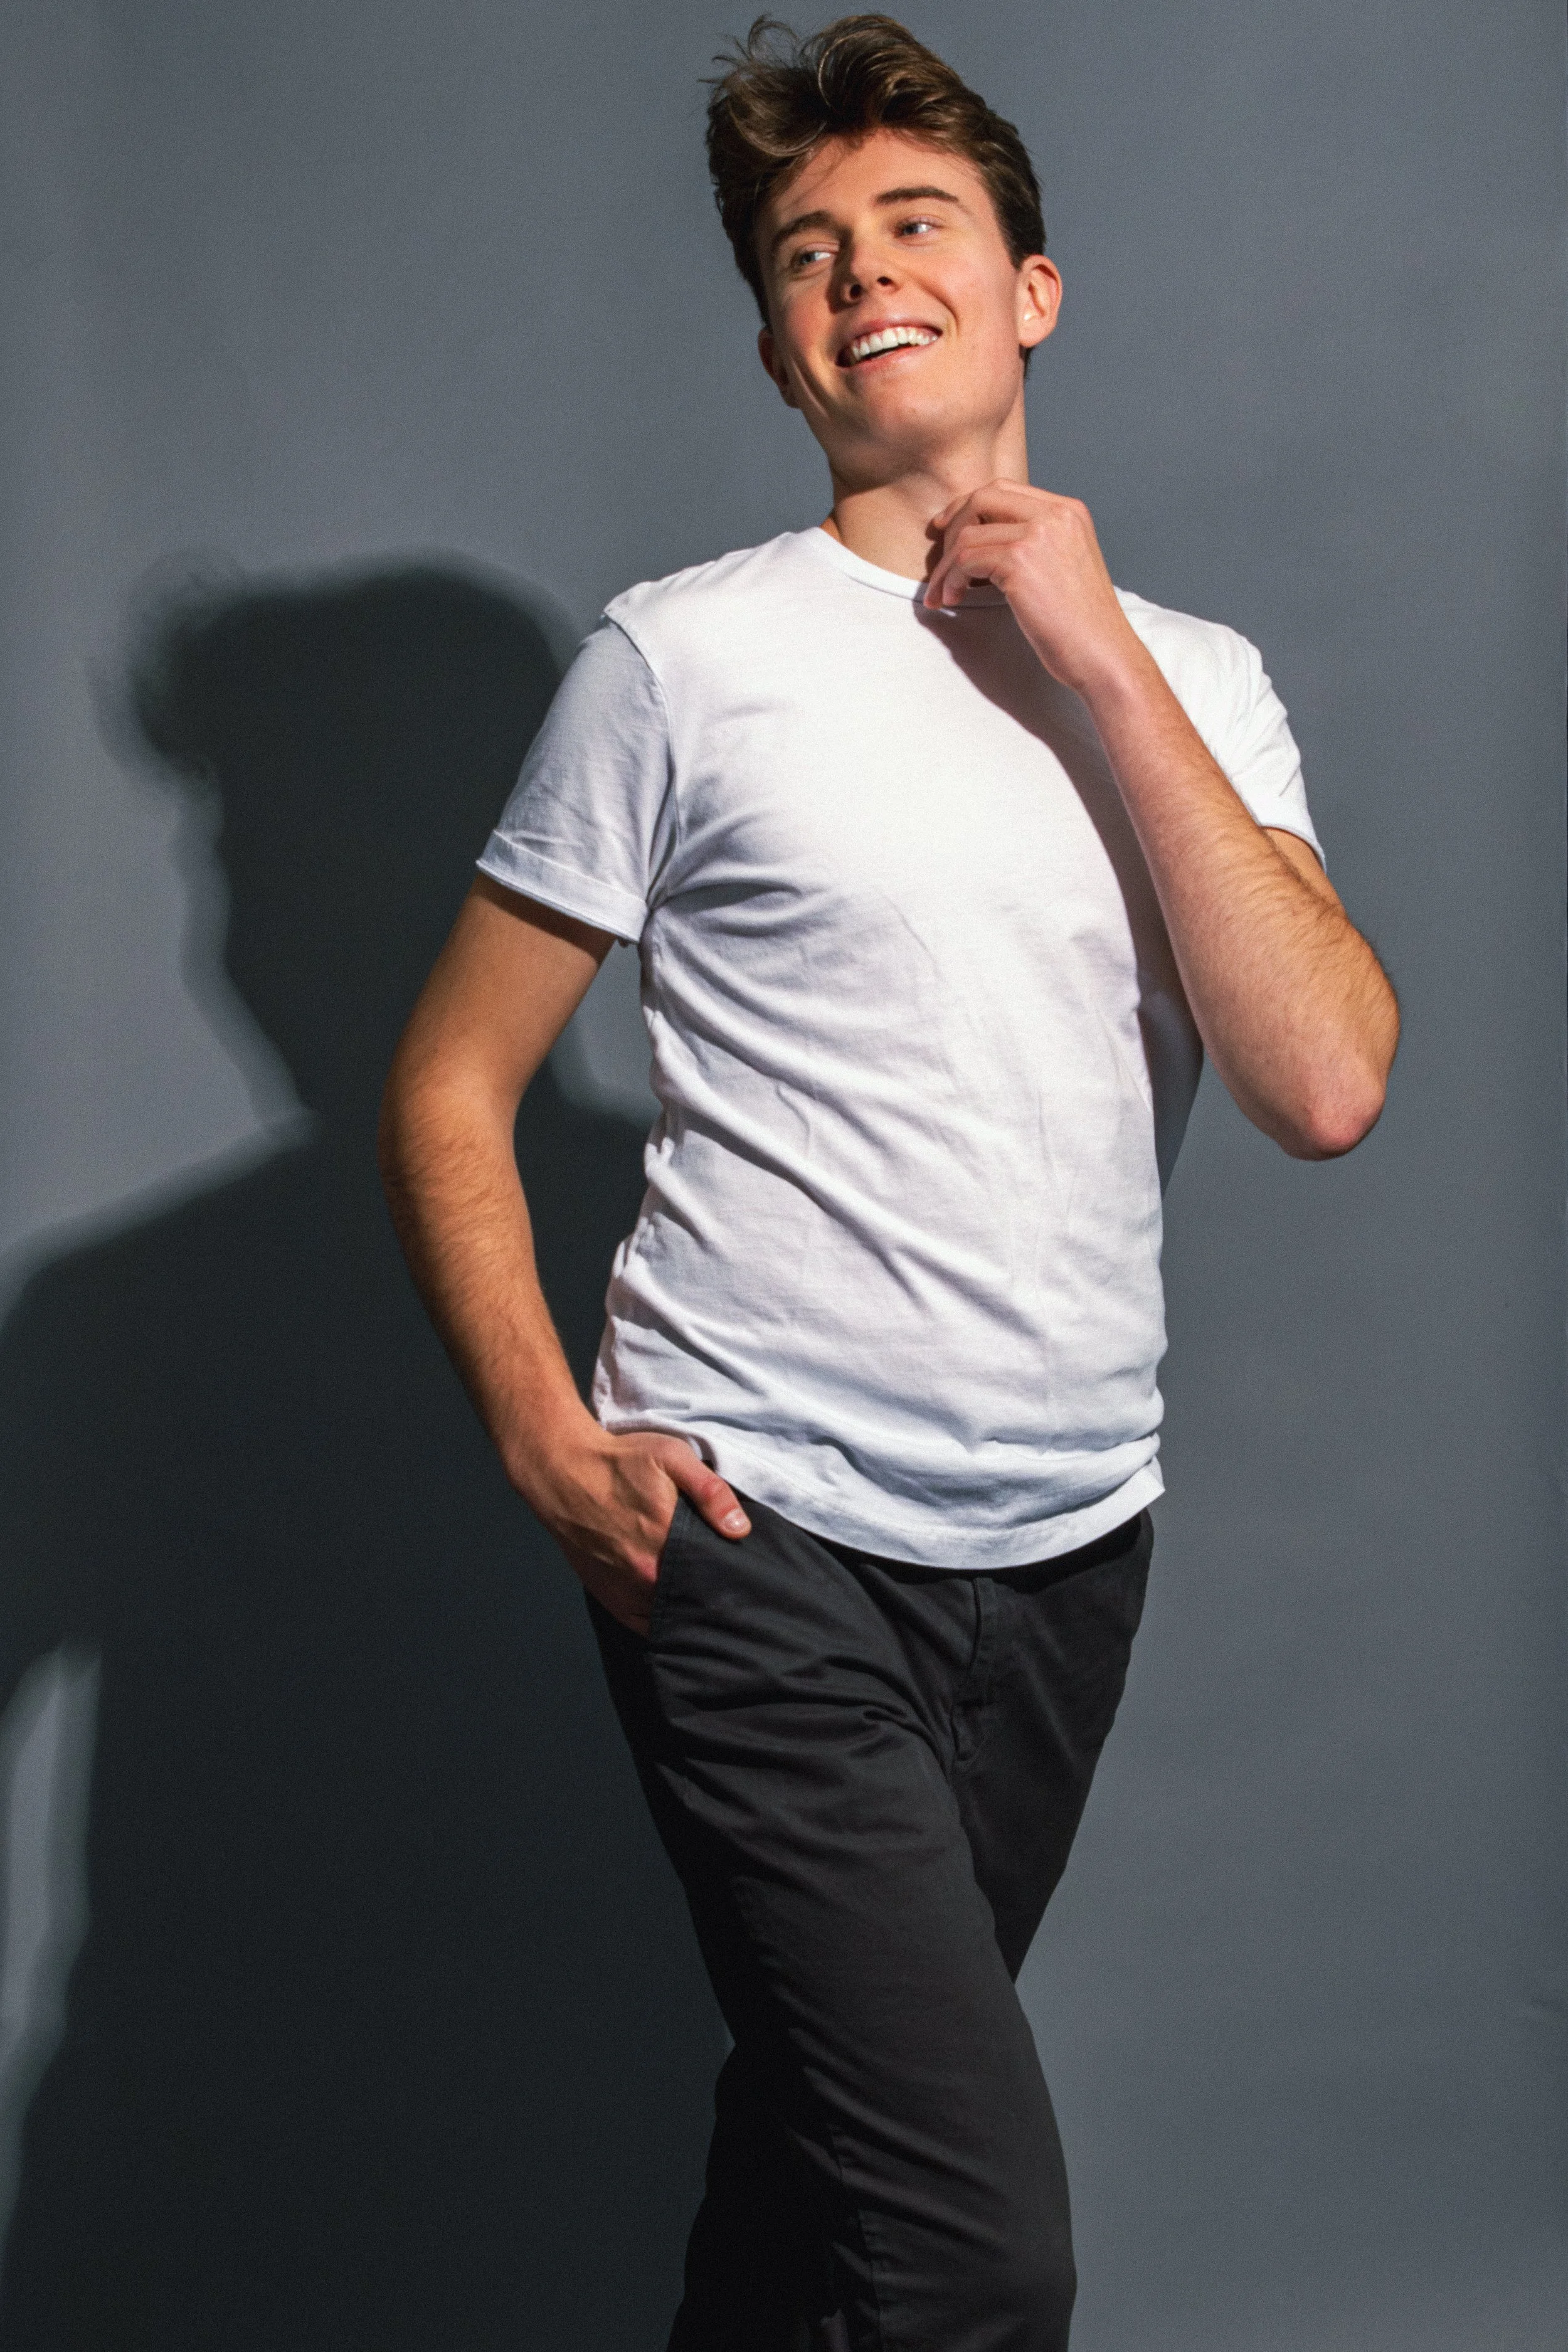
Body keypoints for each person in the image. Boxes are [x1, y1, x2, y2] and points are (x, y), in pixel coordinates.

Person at [377, 15, 1399, 2349]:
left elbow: (1324, 1079)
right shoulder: (686, 659)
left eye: (912, 226)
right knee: (967, 2251)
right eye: (806, 255)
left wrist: (1091, 660)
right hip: (763, 1544)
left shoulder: (1202, 684)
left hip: (1065, 1552)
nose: (862, 278)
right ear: (775, 345)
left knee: (819, 2170)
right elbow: (452, 1081)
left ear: (1030, 289)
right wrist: (549, 1439)